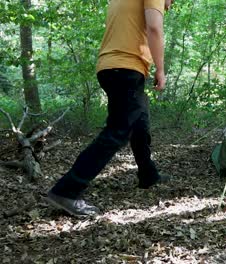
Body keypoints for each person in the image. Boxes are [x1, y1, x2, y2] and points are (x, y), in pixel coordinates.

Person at [45, 0, 175, 217]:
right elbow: (154, 27)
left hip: (112, 66)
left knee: (139, 121)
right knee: (118, 131)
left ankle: (148, 174)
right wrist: (160, 69)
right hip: (126, 68)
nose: (170, 5)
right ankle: (66, 190)